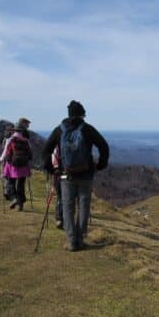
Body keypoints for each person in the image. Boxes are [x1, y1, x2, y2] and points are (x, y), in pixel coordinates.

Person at [42, 101, 109, 251]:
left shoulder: (60, 130)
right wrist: (100, 165)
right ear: (82, 114)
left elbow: (46, 150)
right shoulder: (87, 129)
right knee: (84, 206)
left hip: (67, 174)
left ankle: (71, 241)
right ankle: (80, 239)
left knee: (67, 207)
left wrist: (51, 169)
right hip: (86, 174)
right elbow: (104, 146)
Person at [0, 118, 33, 211]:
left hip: (12, 165)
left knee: (11, 182)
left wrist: (2, 159)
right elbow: (30, 154)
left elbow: (7, 152)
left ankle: (14, 198)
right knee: (21, 184)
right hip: (24, 165)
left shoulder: (11, 139)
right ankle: (20, 204)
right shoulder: (26, 140)